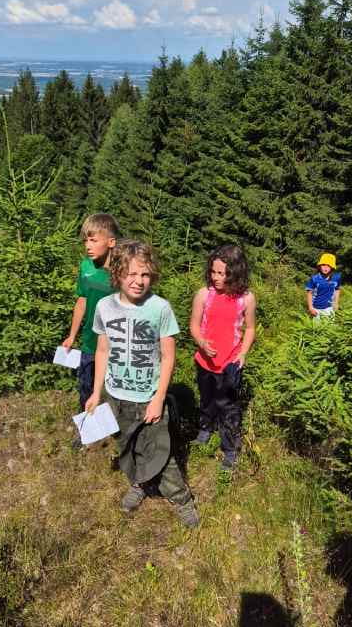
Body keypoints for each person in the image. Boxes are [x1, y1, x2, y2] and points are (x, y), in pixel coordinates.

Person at [85, 240, 199, 528]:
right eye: (132, 274)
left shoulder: (159, 308)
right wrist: (96, 392)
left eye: (145, 274)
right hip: (116, 395)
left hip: (148, 397)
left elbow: (168, 356)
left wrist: (159, 398)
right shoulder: (105, 307)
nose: (139, 281)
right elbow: (102, 350)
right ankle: (140, 484)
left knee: (160, 451)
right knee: (128, 446)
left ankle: (181, 498)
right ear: (118, 273)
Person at [190, 244, 256, 469]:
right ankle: (206, 428)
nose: (216, 277)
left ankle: (230, 449)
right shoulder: (204, 294)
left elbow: (250, 329)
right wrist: (201, 342)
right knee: (207, 399)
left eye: (222, 273)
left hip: (230, 363)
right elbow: (194, 325)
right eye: (213, 271)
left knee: (228, 406)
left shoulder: (246, 298)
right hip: (204, 361)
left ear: (235, 272)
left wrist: (243, 353)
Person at [63, 213, 119, 410]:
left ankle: (115, 424)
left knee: (112, 392)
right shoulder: (86, 266)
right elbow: (82, 301)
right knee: (85, 387)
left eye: (94, 241)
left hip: (115, 344)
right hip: (89, 341)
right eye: (85, 241)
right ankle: (86, 424)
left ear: (111, 242)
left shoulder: (122, 272)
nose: (88, 246)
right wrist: (72, 336)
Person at [305, 253, 341, 319]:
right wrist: (310, 308)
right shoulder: (314, 279)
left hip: (330, 308)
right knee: (317, 326)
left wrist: (336, 303)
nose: (325, 267)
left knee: (329, 325)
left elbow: (337, 289)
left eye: (329, 265)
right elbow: (309, 293)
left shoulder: (336, 277)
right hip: (316, 309)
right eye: (323, 265)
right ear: (319, 266)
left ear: (332, 267)